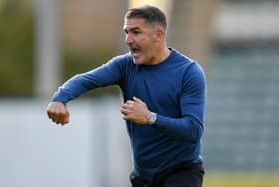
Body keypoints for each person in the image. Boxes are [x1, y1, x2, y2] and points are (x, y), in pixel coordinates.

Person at [47, 5, 206, 187]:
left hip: (181, 173)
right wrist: (60, 98)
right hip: (143, 176)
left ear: (158, 35)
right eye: (126, 32)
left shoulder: (188, 72)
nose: (128, 40)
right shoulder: (125, 66)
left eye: (136, 32)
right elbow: (86, 80)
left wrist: (149, 117)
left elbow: (193, 130)